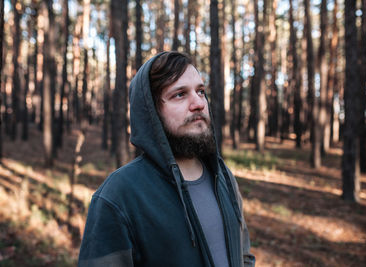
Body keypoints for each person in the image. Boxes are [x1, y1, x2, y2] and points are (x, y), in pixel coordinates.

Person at [78, 51, 255, 267]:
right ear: (151, 112)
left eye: (200, 91)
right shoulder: (119, 195)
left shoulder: (223, 177)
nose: (198, 103)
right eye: (180, 94)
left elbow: (243, 256)